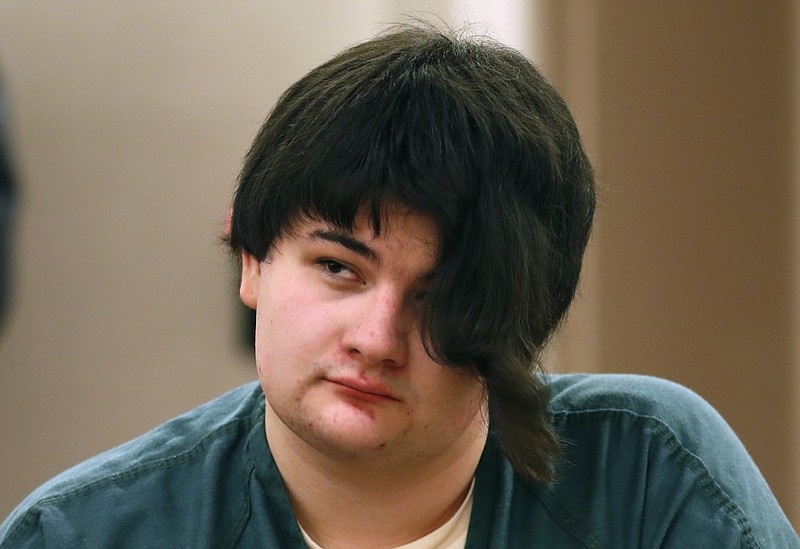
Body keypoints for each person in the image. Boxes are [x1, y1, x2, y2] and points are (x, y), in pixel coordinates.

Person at [0, 24, 797, 548]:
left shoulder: (650, 473)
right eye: (339, 268)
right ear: (249, 254)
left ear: (522, 322)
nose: (376, 338)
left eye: (440, 295)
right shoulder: (86, 533)